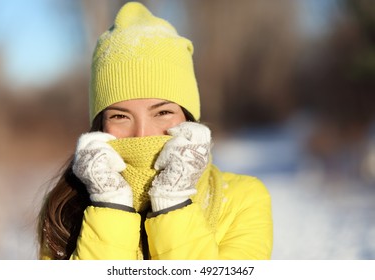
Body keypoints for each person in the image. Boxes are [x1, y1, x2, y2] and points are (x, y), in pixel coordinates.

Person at [37, 1, 273, 260]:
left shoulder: (243, 200)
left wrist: (173, 202)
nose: (142, 134)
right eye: (120, 116)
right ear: (100, 125)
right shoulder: (65, 210)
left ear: (188, 117)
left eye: (162, 112)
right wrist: (109, 203)